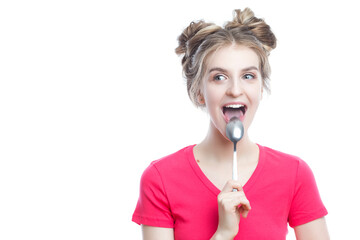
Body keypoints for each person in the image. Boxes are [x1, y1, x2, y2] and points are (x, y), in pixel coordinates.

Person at [132, 7, 329, 240]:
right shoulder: (160, 178)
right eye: (219, 77)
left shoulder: (295, 174)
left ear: (260, 89)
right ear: (199, 92)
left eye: (248, 76)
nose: (235, 90)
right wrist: (223, 234)